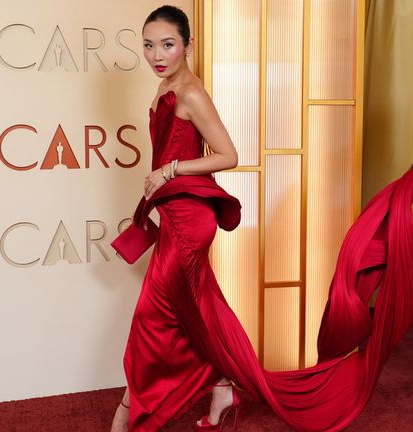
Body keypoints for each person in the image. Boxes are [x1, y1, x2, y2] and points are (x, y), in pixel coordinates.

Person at [109, 5, 243, 432]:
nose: (156, 55)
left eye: (167, 44)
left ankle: (132, 413)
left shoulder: (189, 92)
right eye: (148, 46)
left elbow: (230, 156)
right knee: (195, 310)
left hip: (190, 222)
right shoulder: (169, 83)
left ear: (189, 44)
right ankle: (222, 384)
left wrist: (172, 170)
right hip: (174, 216)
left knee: (152, 317)